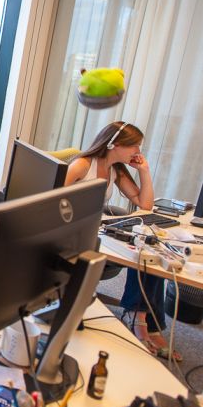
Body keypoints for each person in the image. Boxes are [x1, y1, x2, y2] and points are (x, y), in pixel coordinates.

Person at [65, 121, 181, 361]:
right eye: (134, 146)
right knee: (143, 253)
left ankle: (141, 318)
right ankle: (141, 321)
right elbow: (50, 200)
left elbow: (145, 204)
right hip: (75, 235)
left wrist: (144, 171)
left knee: (150, 250)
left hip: (98, 231)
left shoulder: (115, 170)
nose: (137, 152)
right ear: (114, 144)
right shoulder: (82, 165)